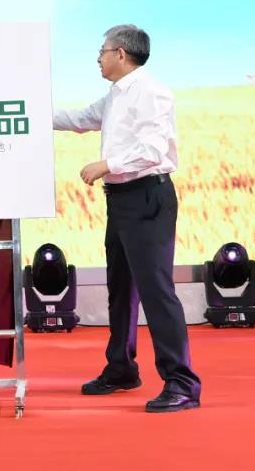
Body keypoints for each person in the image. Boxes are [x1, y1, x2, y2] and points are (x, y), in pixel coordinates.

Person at [53, 24, 202, 413]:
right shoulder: (115, 95)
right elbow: (80, 118)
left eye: (102, 52)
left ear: (121, 54)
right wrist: (32, 115)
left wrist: (108, 164)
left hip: (147, 197)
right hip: (120, 200)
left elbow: (154, 149)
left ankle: (182, 383)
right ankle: (121, 367)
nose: (98, 59)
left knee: (155, 290)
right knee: (120, 288)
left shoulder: (151, 92)